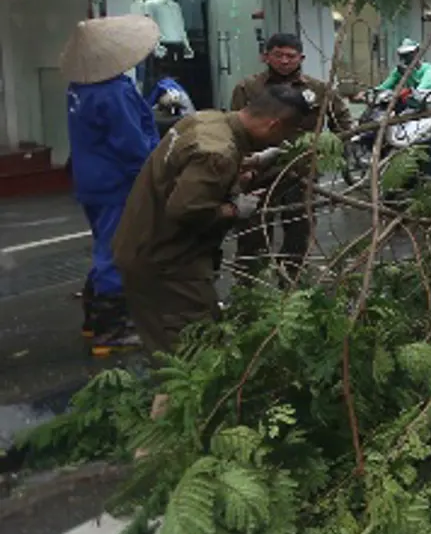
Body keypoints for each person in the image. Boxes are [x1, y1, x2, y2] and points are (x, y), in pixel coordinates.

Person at [114, 85, 312, 353]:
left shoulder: (205, 120)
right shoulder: (217, 153)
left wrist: (248, 168)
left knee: (177, 353)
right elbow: (186, 208)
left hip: (143, 248)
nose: (280, 141)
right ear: (274, 124)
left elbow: (187, 174)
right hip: (167, 265)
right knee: (193, 357)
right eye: (284, 134)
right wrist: (234, 210)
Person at [60, 15, 162, 353]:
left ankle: (93, 317)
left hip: (91, 179)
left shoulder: (79, 87)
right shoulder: (114, 91)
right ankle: (111, 327)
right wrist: (154, 168)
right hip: (117, 182)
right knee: (118, 248)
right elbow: (130, 143)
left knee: (105, 243)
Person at [229, 33, 352, 275]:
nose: (285, 61)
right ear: (266, 56)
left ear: (301, 58)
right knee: (254, 233)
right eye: (278, 55)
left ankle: (293, 286)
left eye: (291, 56)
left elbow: (344, 122)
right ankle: (251, 291)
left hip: (301, 173)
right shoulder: (248, 88)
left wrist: (330, 149)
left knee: (299, 231)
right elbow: (236, 128)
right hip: (259, 173)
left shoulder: (318, 89)